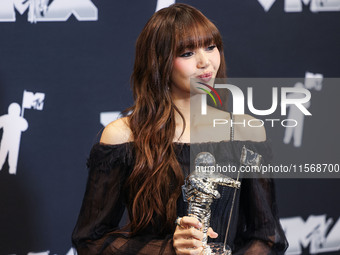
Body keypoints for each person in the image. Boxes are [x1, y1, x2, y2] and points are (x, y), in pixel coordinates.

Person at [72, 3, 288, 255]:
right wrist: (168, 249)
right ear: (159, 62)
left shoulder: (245, 131)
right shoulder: (123, 135)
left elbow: (267, 237)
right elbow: (91, 240)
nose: (205, 62)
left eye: (210, 47)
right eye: (187, 53)